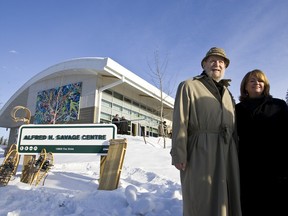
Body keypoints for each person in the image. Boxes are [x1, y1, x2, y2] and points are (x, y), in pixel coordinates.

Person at [170, 47, 242, 216]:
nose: (217, 64)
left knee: (226, 195)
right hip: (201, 149)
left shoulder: (228, 94)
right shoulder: (189, 86)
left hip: (227, 150)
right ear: (204, 64)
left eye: (221, 62)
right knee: (201, 195)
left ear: (225, 67)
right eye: (212, 61)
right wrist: (179, 153)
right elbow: (180, 121)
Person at [235, 69, 288, 215]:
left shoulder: (279, 105)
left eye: (260, 80)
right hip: (247, 169)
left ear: (265, 85)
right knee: (249, 207)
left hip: (276, 169)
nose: (256, 83)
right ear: (245, 86)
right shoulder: (236, 110)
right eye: (252, 80)